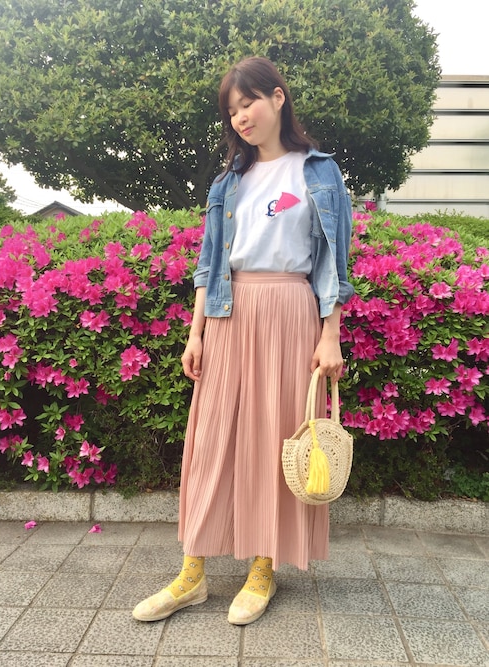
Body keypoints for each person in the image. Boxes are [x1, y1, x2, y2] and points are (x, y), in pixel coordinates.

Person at [133, 56, 354, 626]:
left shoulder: (319, 173)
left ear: (278, 97)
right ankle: (192, 573)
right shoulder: (228, 182)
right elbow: (209, 263)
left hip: (290, 312)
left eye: (248, 102)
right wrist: (195, 332)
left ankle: (263, 567)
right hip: (230, 314)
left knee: (272, 437)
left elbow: (334, 265)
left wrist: (330, 334)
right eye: (232, 111)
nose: (240, 117)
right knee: (212, 440)